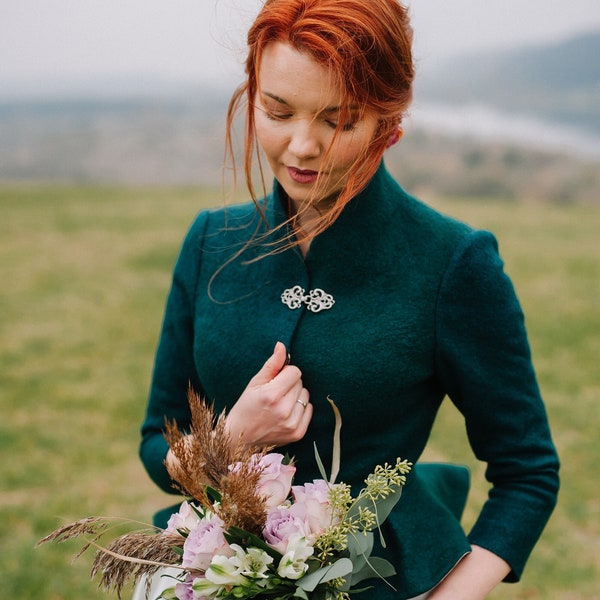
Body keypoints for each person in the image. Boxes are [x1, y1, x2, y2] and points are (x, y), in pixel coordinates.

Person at [137, 1, 560, 598]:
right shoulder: (210, 241)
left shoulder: (452, 262)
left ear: (391, 124)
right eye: (277, 111)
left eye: (337, 121)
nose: (301, 146)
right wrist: (231, 438)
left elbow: (528, 473)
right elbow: (158, 446)